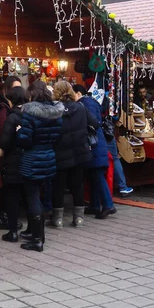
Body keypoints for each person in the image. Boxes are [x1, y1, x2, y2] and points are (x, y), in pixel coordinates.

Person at [14, 82, 63, 251]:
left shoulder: (29, 113)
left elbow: (25, 139)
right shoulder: (56, 113)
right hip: (48, 157)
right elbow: (58, 137)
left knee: (33, 197)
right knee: (39, 196)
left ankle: (37, 239)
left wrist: (19, 131)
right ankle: (39, 235)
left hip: (32, 158)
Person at [51, 81, 92, 227]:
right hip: (79, 151)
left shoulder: (54, 110)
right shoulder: (80, 107)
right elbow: (94, 123)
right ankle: (78, 218)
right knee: (78, 185)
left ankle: (58, 219)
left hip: (60, 152)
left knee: (58, 186)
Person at [74, 85, 116, 219]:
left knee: (97, 176)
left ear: (78, 93)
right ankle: (95, 205)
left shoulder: (85, 103)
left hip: (94, 146)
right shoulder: (91, 102)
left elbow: (93, 123)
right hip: (97, 145)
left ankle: (108, 205)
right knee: (94, 176)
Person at [0, 86, 29, 243]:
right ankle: (32, 229)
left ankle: (13, 231)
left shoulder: (13, 117)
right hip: (28, 160)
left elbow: (5, 140)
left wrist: (3, 149)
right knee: (29, 196)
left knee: (13, 197)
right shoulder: (30, 114)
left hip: (14, 161)